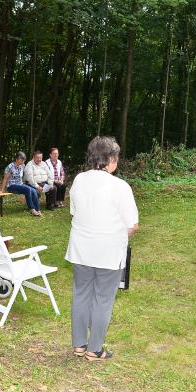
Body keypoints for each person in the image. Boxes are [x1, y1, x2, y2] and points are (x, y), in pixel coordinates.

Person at [65, 136, 139, 361]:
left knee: (81, 295)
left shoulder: (79, 180)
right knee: (103, 299)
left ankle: (79, 344)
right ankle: (94, 349)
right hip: (108, 253)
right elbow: (133, 225)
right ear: (111, 159)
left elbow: (74, 213)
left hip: (81, 250)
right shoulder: (120, 186)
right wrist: (116, 234)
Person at [1, 151, 42, 216]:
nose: (23, 161)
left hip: (20, 184)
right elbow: (5, 179)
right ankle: (32, 209)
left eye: (24, 160)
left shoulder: (23, 166)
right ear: (16, 159)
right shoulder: (10, 167)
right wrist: (2, 190)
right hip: (11, 186)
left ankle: (38, 210)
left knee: (34, 190)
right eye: (21, 160)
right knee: (27, 189)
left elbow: (26, 175)